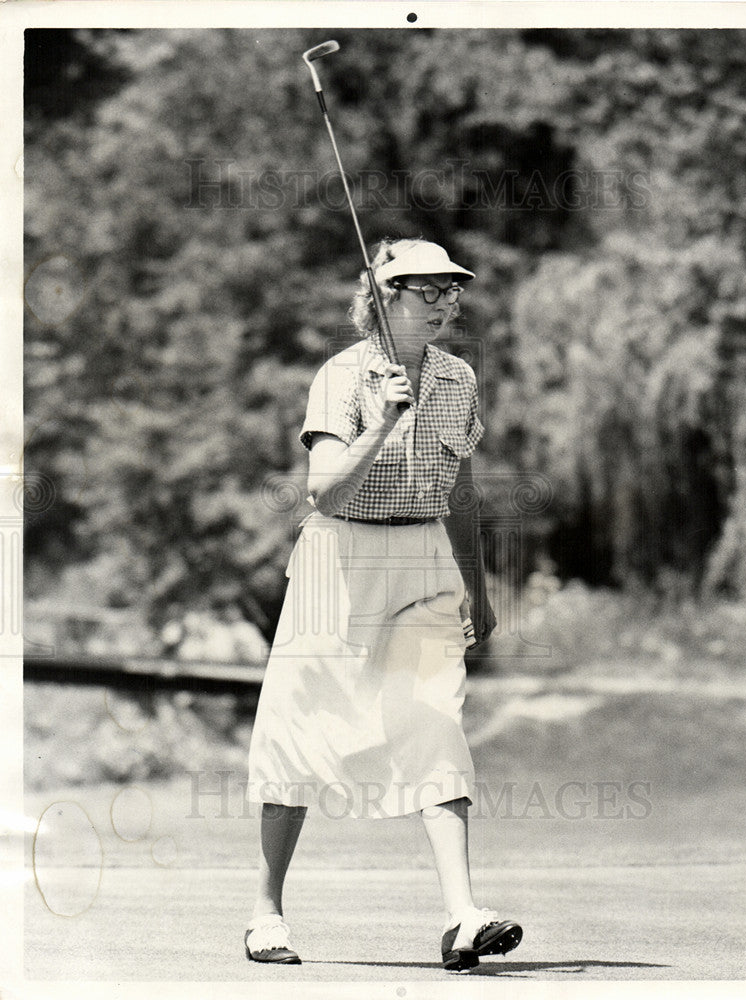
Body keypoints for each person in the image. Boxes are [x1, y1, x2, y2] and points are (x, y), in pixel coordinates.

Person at [244, 237, 522, 972]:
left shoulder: (458, 378)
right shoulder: (342, 376)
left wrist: (476, 583)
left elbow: (459, 489)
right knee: (298, 730)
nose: (444, 303)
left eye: (451, 290)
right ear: (384, 296)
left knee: (435, 724)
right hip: (340, 558)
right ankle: (267, 912)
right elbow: (324, 489)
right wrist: (382, 424)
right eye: (426, 291)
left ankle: (463, 917)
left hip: (424, 556)